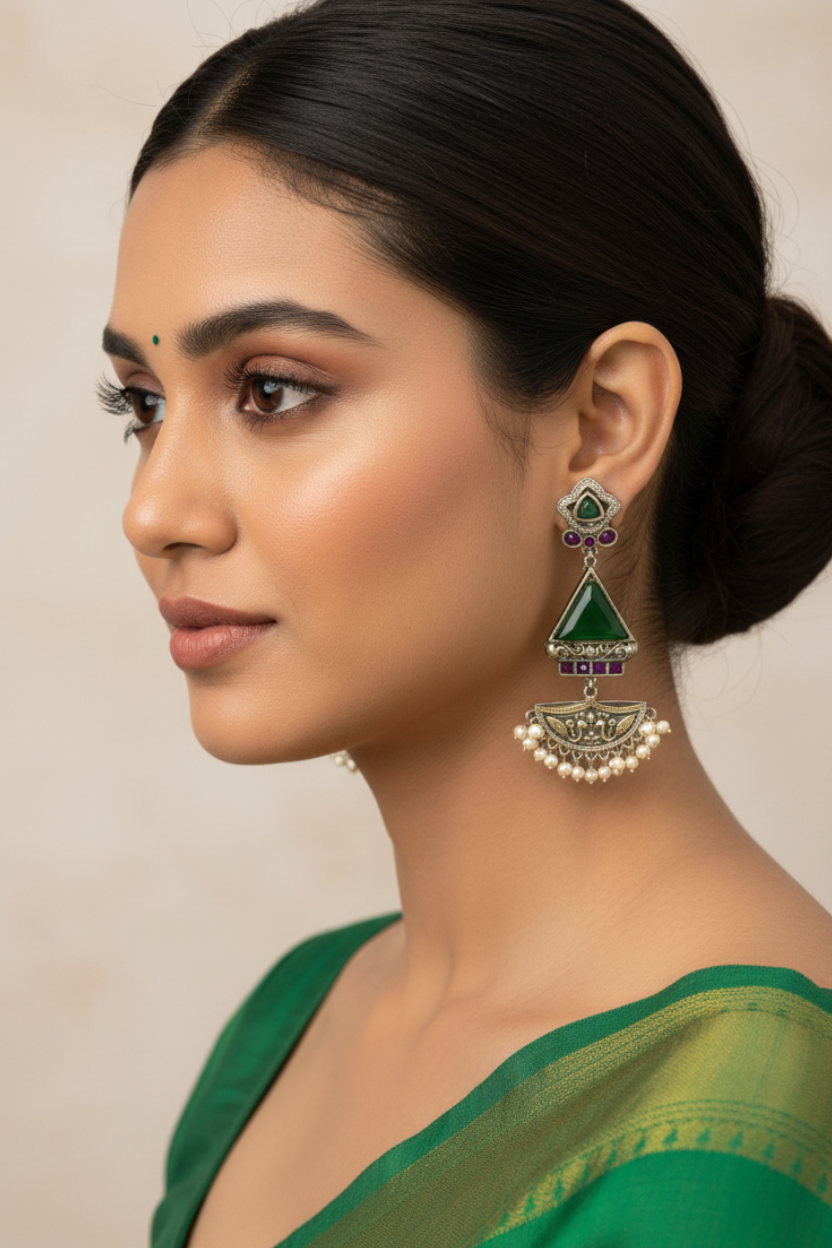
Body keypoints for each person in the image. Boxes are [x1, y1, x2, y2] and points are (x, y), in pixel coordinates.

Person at [100, 0, 832, 1244]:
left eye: (271, 389)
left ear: (601, 425)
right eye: (141, 404)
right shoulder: (294, 1018)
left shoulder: (734, 1143)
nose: (153, 510)